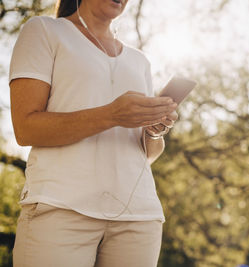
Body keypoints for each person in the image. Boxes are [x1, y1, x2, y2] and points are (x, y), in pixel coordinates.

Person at [9, 0, 178, 266]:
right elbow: (25, 128)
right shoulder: (44, 30)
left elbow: (148, 155)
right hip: (60, 208)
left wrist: (154, 131)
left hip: (138, 217)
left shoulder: (139, 61)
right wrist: (112, 115)